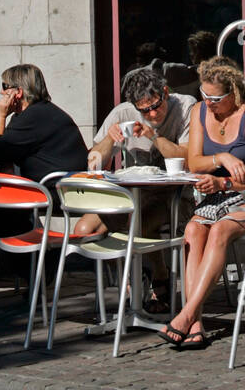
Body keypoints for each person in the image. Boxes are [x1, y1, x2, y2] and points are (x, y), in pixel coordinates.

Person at [160, 57, 245, 350]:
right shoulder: (199, 112)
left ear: (234, 93)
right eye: (204, 96)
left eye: (216, 98)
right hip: (214, 196)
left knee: (220, 231)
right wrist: (220, 158)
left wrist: (224, 181)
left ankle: (185, 315)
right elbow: (194, 161)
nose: (209, 103)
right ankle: (195, 323)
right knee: (193, 232)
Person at [75, 67, 195, 311]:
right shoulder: (124, 112)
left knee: (137, 225)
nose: (151, 113)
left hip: (174, 196)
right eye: (144, 110)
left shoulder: (185, 106)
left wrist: (153, 137)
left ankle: (154, 277)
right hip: (131, 195)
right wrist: (110, 139)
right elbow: (94, 160)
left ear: (165, 92)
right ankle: (136, 276)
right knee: (84, 229)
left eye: (155, 106)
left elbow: (188, 158)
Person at [0, 64, 87, 181]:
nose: (1, 92)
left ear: (18, 92)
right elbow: (6, 150)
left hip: (54, 191)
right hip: (62, 187)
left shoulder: (33, 116)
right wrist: (6, 163)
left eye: (5, 86)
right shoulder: (39, 112)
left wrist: (0, 115)